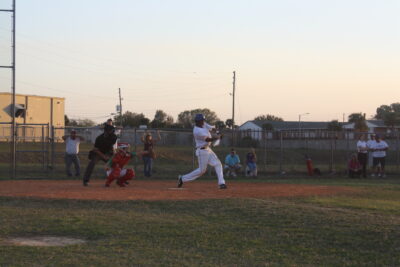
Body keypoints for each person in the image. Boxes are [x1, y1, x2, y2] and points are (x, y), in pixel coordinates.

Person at [178, 114, 226, 189]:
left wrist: (217, 132)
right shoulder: (197, 131)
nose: (203, 121)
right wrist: (217, 137)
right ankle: (182, 178)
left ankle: (221, 183)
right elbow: (207, 139)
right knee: (202, 171)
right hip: (202, 151)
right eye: (202, 120)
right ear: (198, 121)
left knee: (218, 164)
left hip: (208, 149)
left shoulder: (204, 124)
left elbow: (212, 128)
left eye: (203, 120)